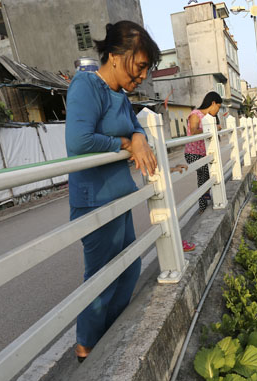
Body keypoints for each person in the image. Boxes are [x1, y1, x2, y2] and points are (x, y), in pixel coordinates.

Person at [65, 20, 160, 362]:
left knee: (129, 269)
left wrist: (136, 138)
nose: (142, 76)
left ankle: (109, 335)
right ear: (118, 56)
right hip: (95, 200)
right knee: (101, 279)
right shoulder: (85, 86)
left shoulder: (119, 94)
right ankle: (86, 346)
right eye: (140, 66)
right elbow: (78, 142)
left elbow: (136, 127)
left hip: (120, 195)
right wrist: (123, 142)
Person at [184, 91, 223, 213]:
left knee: (204, 176)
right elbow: (194, 131)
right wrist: (211, 128)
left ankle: (203, 205)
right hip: (192, 153)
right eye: (218, 107)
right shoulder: (195, 114)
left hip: (204, 154)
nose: (218, 111)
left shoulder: (211, 118)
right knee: (206, 173)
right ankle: (205, 200)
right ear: (213, 103)